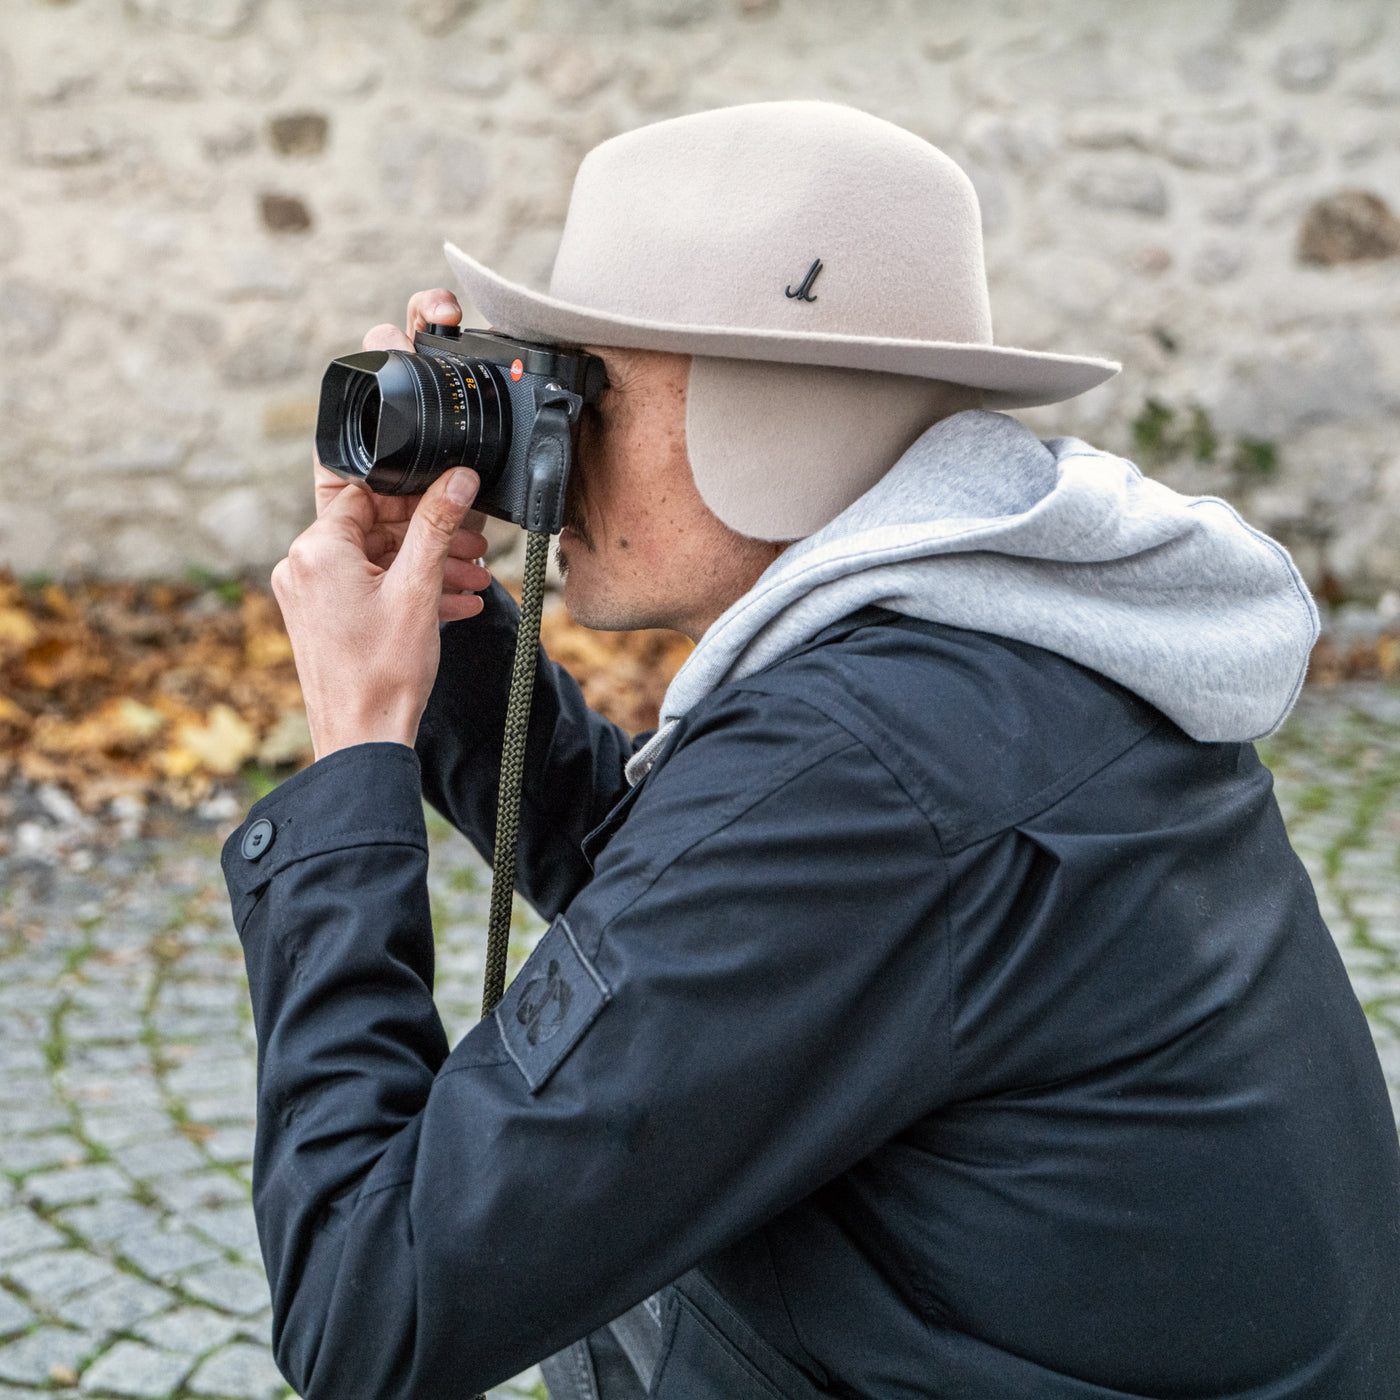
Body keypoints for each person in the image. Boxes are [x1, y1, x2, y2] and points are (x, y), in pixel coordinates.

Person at [223, 103, 1400, 1400]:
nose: (539, 448)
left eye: (586, 388)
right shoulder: (996, 636)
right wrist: (444, 635)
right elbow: (696, 915)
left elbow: (367, 1305)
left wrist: (356, 758)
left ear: (772, 410)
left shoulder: (873, 769)